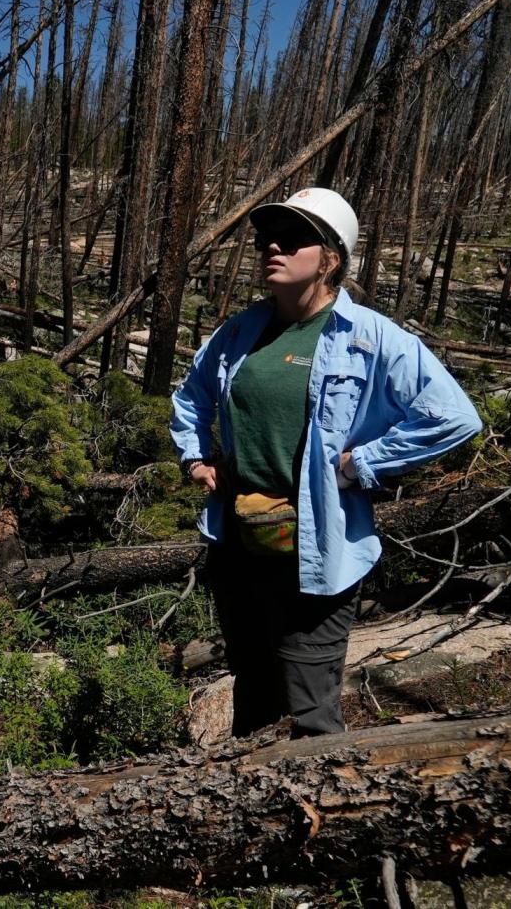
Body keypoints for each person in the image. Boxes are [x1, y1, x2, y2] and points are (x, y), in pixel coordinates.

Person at [170, 187, 482, 738]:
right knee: (254, 688)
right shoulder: (240, 332)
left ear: (331, 258)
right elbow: (191, 396)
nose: (273, 248)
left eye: (293, 241)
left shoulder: (369, 337)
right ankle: (238, 809)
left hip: (316, 550)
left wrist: (361, 464)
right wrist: (196, 459)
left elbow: (452, 416)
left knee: (311, 706)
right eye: (268, 239)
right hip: (239, 541)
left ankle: (330, 807)